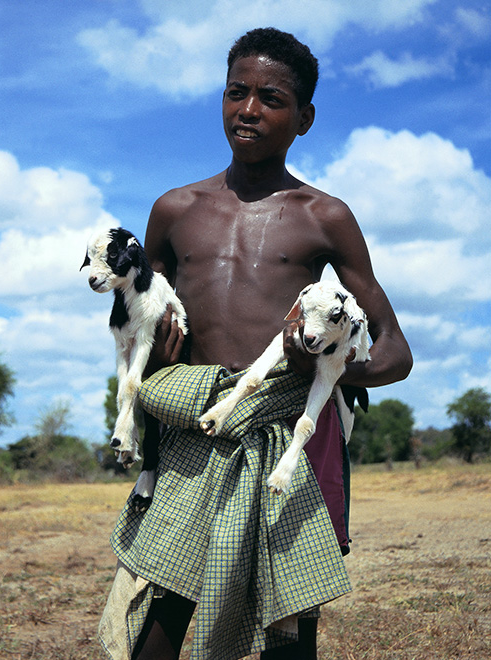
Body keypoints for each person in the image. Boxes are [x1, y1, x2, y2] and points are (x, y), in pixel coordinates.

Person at [99, 27, 412, 660]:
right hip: (196, 433)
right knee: (155, 629)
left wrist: (322, 367)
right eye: (236, 92)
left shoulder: (323, 216)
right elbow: (135, 317)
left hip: (284, 438)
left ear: (305, 118)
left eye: (271, 98)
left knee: (287, 637)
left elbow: (395, 353)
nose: (248, 110)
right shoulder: (175, 209)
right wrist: (158, 357)